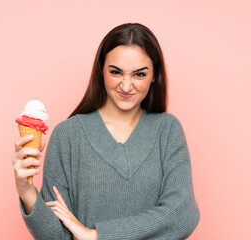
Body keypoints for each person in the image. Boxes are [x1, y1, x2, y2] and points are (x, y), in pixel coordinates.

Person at [12, 23, 200, 240]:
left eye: (139, 74)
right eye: (116, 72)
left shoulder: (168, 131)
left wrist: (96, 235)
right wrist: (26, 191)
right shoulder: (67, 136)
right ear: (101, 70)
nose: (126, 86)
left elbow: (181, 215)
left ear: (155, 75)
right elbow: (58, 236)